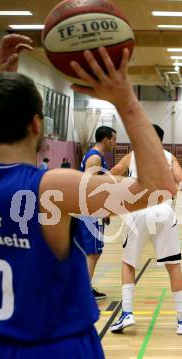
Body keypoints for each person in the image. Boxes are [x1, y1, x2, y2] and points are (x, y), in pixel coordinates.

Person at [0, 34, 176, 359]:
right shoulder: (50, 188)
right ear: (37, 124)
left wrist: (1, 79)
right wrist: (125, 99)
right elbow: (158, 186)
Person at [108, 124, 182, 335]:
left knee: (129, 263)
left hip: (138, 211)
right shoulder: (169, 157)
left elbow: (109, 177)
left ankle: (127, 312)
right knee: (173, 266)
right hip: (164, 212)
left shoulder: (132, 157)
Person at [76, 126, 117, 299]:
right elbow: (89, 189)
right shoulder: (94, 158)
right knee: (93, 253)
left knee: (92, 252)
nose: (115, 143)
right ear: (106, 139)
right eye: (114, 139)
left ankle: (84, 286)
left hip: (91, 211)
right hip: (90, 212)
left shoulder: (97, 157)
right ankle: (83, 291)